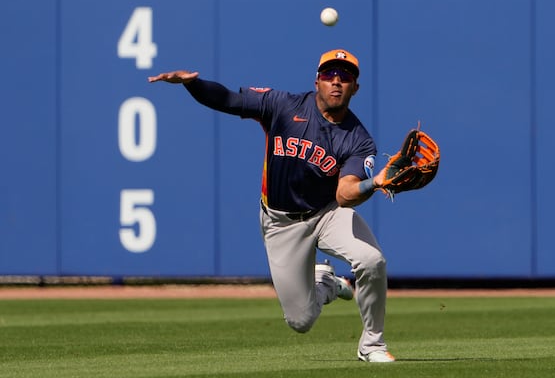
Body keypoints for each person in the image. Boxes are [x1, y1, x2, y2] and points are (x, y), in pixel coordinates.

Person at [148, 49, 395, 363]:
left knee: (372, 261)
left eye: (345, 76)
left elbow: (346, 194)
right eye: (329, 74)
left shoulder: (359, 140)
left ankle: (371, 345)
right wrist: (191, 85)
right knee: (300, 321)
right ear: (317, 80)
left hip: (328, 213)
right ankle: (327, 283)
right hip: (282, 222)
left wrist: (373, 183)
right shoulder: (283, 106)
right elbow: (229, 100)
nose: (336, 81)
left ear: (355, 88)